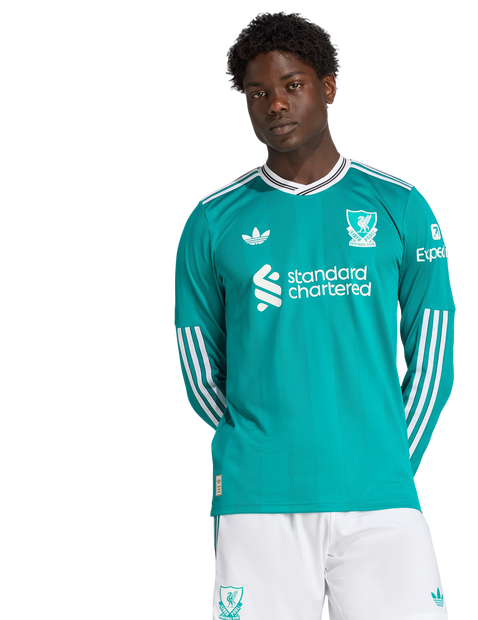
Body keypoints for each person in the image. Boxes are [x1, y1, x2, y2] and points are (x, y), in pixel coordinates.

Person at [173, 9, 457, 620]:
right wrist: (266, 449)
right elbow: (199, 372)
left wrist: (382, 456)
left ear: (329, 87)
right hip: (258, 503)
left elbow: (434, 360)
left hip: (381, 500)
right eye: (257, 93)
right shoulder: (212, 221)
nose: (275, 104)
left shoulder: (400, 206)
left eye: (292, 84)